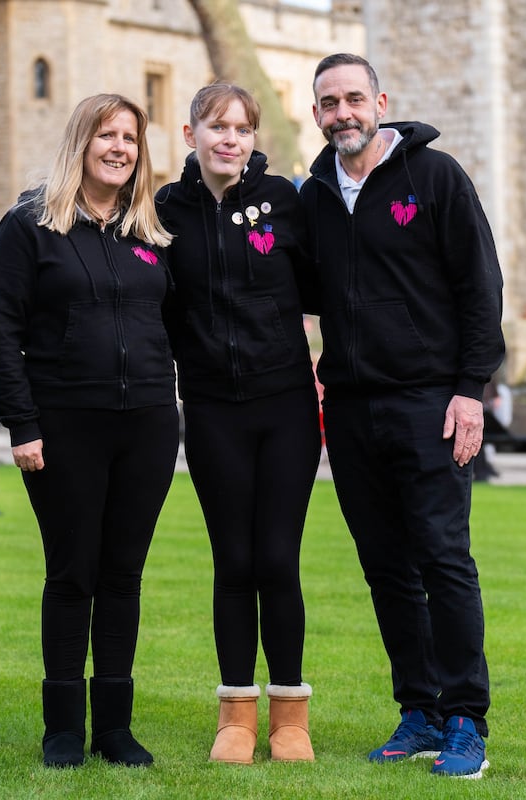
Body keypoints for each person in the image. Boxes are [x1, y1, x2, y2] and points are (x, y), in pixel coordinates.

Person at [301, 53, 505, 779]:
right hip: (352, 409)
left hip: (431, 403)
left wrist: (470, 388)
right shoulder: (313, 195)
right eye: (329, 103)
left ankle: (465, 720)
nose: (343, 113)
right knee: (385, 569)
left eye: (354, 98)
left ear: (380, 100)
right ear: (316, 113)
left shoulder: (436, 177)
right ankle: (417, 710)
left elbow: (480, 287)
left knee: (444, 562)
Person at [0, 93, 179, 769]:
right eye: (107, 136)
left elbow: (179, 326)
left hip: (149, 425)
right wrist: (22, 424)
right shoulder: (30, 225)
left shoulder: (149, 232)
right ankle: (62, 728)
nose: (120, 147)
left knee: (123, 576)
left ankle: (115, 730)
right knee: (73, 575)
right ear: (81, 143)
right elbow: (0, 332)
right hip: (64, 428)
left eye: (130, 137)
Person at [155, 84, 321, 764]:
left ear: (255, 137)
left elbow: (331, 287)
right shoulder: (163, 210)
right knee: (234, 561)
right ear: (188, 131)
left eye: (241, 127)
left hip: (284, 407)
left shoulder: (285, 200)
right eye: (215, 126)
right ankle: (235, 716)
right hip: (213, 409)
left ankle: (290, 717)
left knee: (278, 559)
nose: (229, 138)